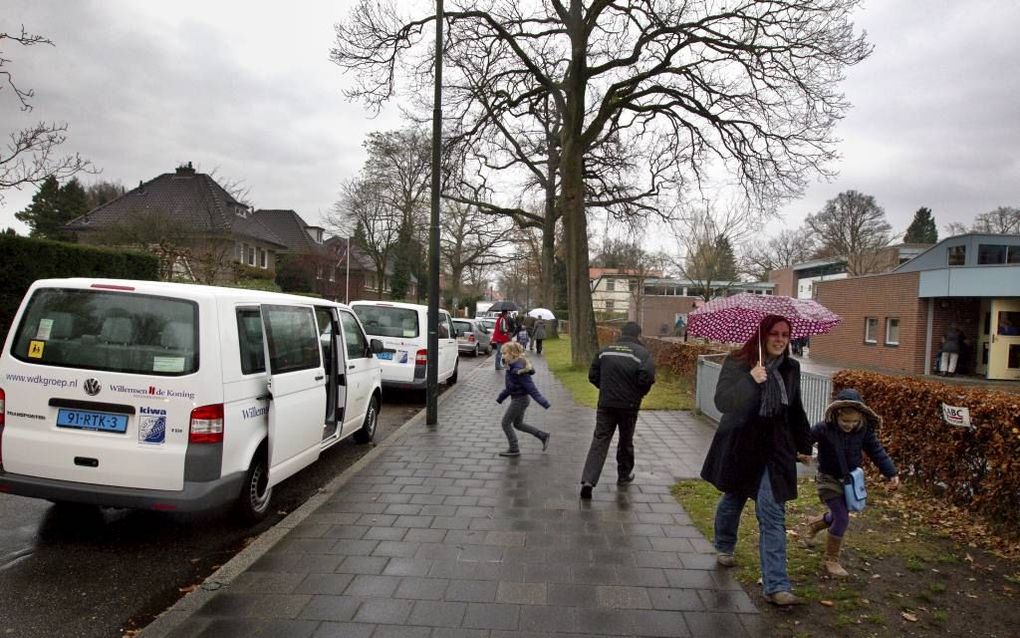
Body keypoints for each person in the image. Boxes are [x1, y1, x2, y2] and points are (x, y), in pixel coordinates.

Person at [699, 314, 812, 607]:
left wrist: (805, 444)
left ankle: (776, 586)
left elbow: (795, 408)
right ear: (762, 335)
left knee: (772, 512)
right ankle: (724, 545)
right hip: (742, 446)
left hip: (776, 451)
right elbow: (723, 402)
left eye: (785, 335)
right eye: (774, 334)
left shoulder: (791, 368)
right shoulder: (738, 362)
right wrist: (751, 380)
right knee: (733, 497)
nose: (779, 340)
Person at [801, 388, 899, 577]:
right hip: (827, 479)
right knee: (843, 518)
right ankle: (831, 560)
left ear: (861, 418)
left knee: (839, 515)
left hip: (849, 480)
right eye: (845, 421)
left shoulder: (864, 431)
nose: (850, 425)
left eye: (854, 422)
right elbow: (805, 440)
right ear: (836, 415)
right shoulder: (823, 428)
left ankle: (816, 524)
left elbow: (877, 452)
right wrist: (801, 452)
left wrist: (891, 473)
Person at [580, 321, 655, 499]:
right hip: (629, 406)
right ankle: (623, 475)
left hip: (606, 404)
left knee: (600, 440)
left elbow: (593, 376)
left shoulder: (605, 351)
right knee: (625, 440)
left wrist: (606, 389)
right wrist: (637, 394)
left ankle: (589, 480)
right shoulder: (643, 354)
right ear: (638, 335)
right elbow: (647, 378)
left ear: (621, 333)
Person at [495, 342, 551, 456]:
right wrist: (501, 397)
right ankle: (542, 436)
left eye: (504, 353)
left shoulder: (520, 370)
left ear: (513, 354)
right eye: (502, 354)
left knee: (505, 423)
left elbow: (532, 388)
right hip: (519, 399)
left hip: (520, 401)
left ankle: (514, 448)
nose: (502, 356)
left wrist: (543, 402)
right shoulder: (511, 366)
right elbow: (511, 387)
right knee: (518, 424)